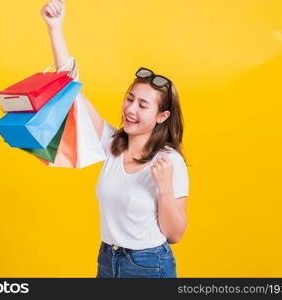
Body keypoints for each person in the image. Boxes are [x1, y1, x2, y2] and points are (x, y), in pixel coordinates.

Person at [40, 0, 189, 278]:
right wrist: (55, 29)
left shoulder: (169, 161)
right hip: (108, 259)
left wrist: (165, 187)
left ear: (161, 116)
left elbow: (174, 234)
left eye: (143, 106)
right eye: (130, 99)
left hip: (149, 265)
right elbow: (71, 89)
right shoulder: (112, 145)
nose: (131, 110)